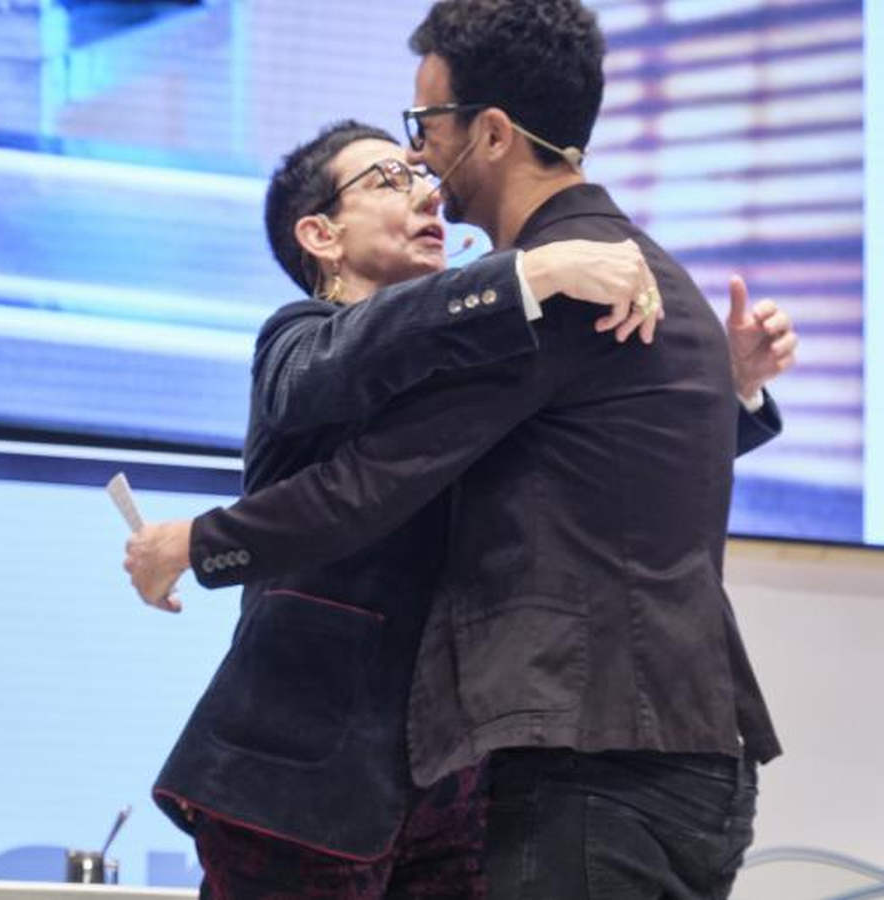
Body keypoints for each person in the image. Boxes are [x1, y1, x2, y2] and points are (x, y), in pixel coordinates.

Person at [128, 115, 794, 897]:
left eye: (421, 176)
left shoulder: (471, 348)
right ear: (320, 234)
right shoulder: (301, 340)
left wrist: (728, 387)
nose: (425, 193)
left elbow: (581, 468)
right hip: (295, 776)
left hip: (453, 786)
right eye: (387, 179)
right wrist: (523, 277)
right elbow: (338, 432)